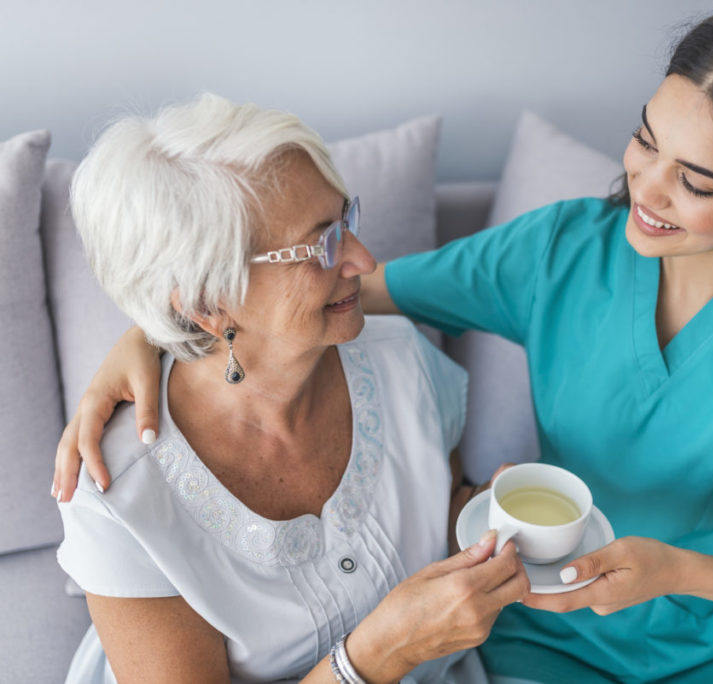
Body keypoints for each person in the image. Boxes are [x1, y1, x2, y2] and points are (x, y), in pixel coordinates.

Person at [54, 1, 713, 682]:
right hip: (536, 634)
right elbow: (338, 292)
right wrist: (156, 332)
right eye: (644, 139)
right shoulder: (560, 252)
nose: (646, 186)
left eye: (697, 180)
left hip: (708, 651)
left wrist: (678, 571)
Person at [53, 93, 529, 684]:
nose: (361, 258)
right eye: (321, 244)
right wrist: (379, 655)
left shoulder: (400, 357)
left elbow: (438, 508)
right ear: (207, 301)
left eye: (346, 220)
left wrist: (483, 519)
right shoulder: (115, 491)